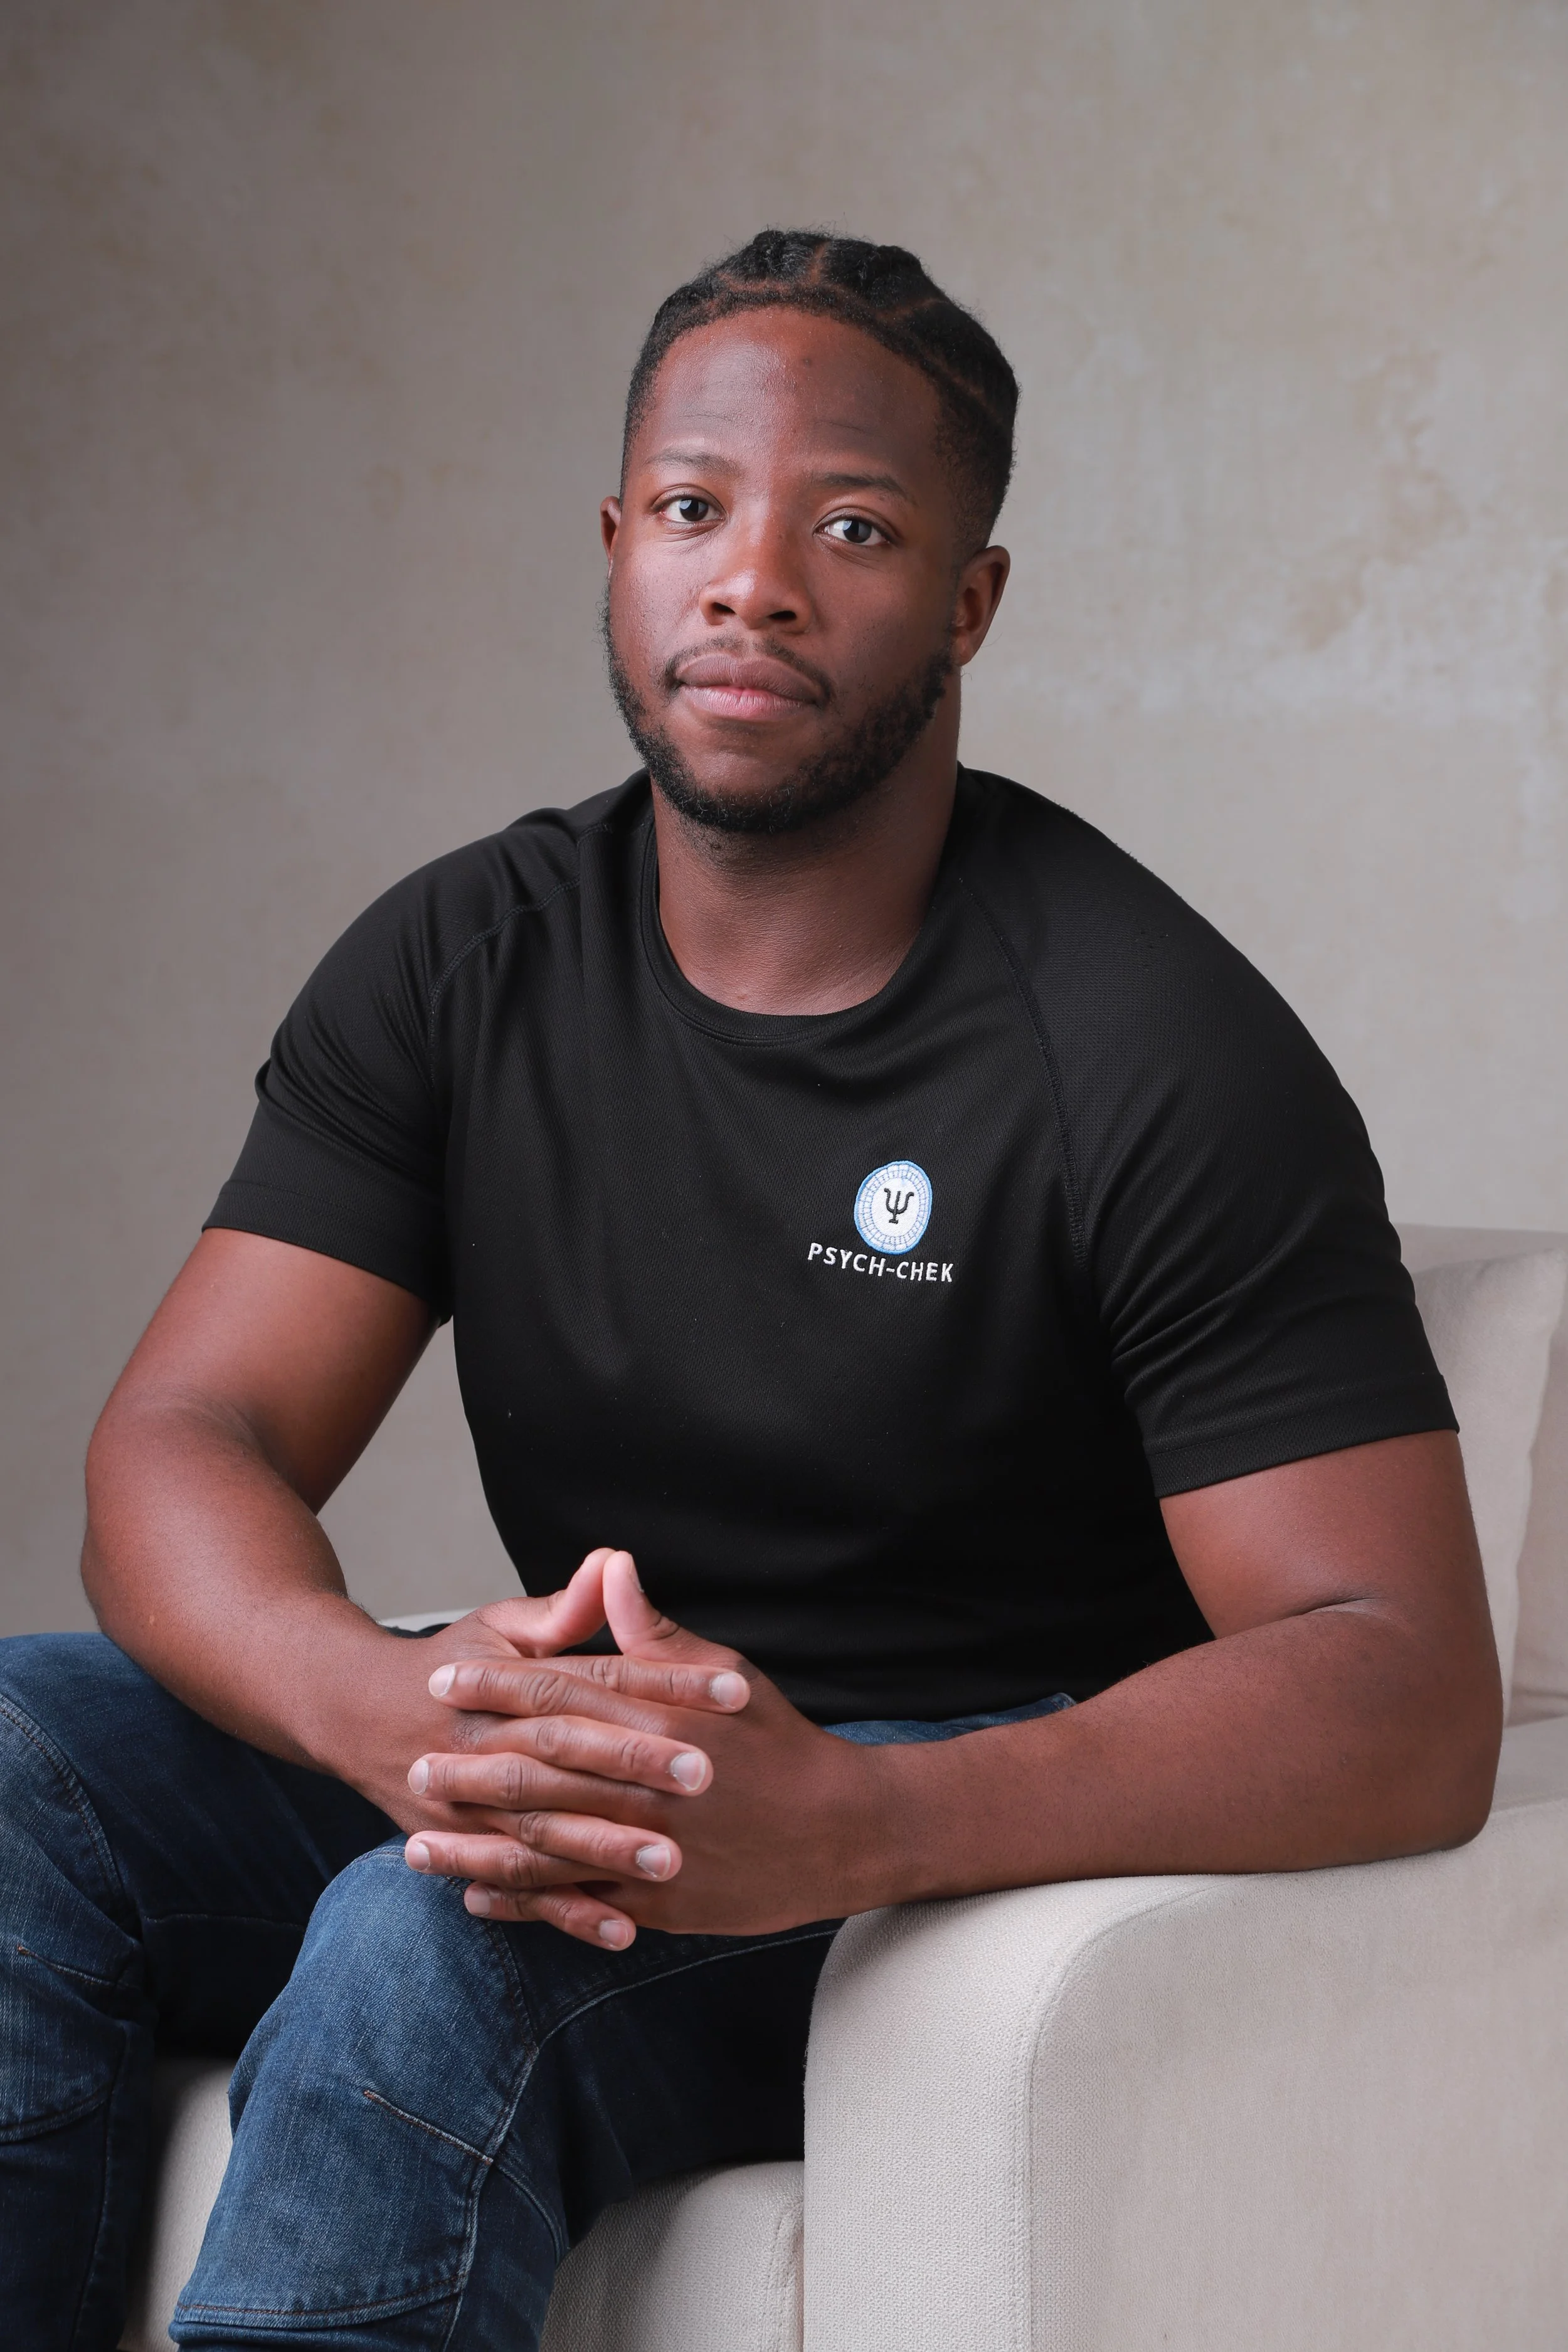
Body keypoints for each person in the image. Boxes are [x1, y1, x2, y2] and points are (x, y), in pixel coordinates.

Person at [0, 231, 1500, 2352]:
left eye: (856, 528)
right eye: (696, 509)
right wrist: (383, 1705)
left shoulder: (1146, 1040)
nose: (753, 580)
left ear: (969, 603)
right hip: (594, 1755)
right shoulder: (463, 961)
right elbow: (187, 1432)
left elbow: (1405, 1682)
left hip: (951, 1821)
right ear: (618, 545)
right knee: (15, 1759)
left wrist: (862, 1817)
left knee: (427, 1945)